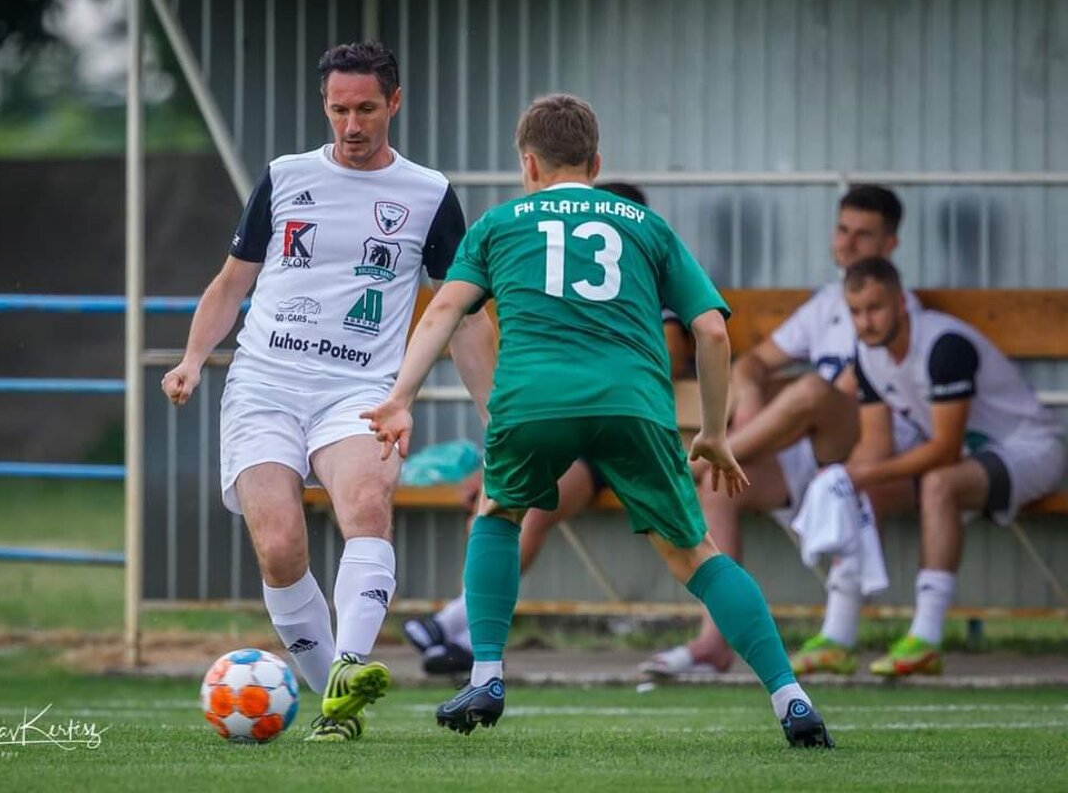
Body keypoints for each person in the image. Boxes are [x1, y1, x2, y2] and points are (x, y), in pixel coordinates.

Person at [363, 94, 833, 747]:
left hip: (533, 401)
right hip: (633, 404)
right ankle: (790, 697)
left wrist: (400, 397)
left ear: (529, 165)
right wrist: (713, 432)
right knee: (696, 554)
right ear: (596, 162)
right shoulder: (646, 226)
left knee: (498, 512)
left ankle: (487, 674)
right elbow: (710, 332)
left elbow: (446, 312)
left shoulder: (500, 224)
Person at [161, 40, 495, 742]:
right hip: (264, 385)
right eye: (339, 110)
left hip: (360, 391)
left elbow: (461, 313)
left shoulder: (429, 194)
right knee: (280, 546)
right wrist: (193, 359)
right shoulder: (284, 177)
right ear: (325, 104)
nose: (351, 125)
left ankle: (347, 668)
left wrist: (495, 412)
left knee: (368, 505)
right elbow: (231, 283)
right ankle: (334, 703)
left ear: (394, 103)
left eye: (366, 109)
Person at [402, 182, 694, 676]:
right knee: (497, 499)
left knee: (529, 508)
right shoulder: (566, 282)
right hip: (567, 427)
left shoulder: (651, 278)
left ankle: (461, 628)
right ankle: (467, 633)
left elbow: (673, 352)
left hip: (623, 438)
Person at [640, 185, 924, 679]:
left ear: (891, 244)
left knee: (811, 389)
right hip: (812, 446)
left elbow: (853, 388)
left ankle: (694, 463)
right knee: (719, 489)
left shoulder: (897, 306)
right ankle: (715, 641)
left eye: (863, 234)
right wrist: (751, 399)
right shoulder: (827, 302)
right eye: (842, 230)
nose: (848, 243)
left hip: (879, 447)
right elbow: (753, 363)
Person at [843, 257, 1067, 676]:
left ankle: (926, 638)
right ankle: (837, 635)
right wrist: (844, 480)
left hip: (1031, 449)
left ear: (901, 304)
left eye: (874, 308)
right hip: (969, 458)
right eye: (855, 312)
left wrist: (864, 473)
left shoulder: (944, 346)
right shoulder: (866, 353)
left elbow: (944, 450)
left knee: (939, 483)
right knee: (859, 490)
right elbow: (876, 447)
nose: (865, 322)